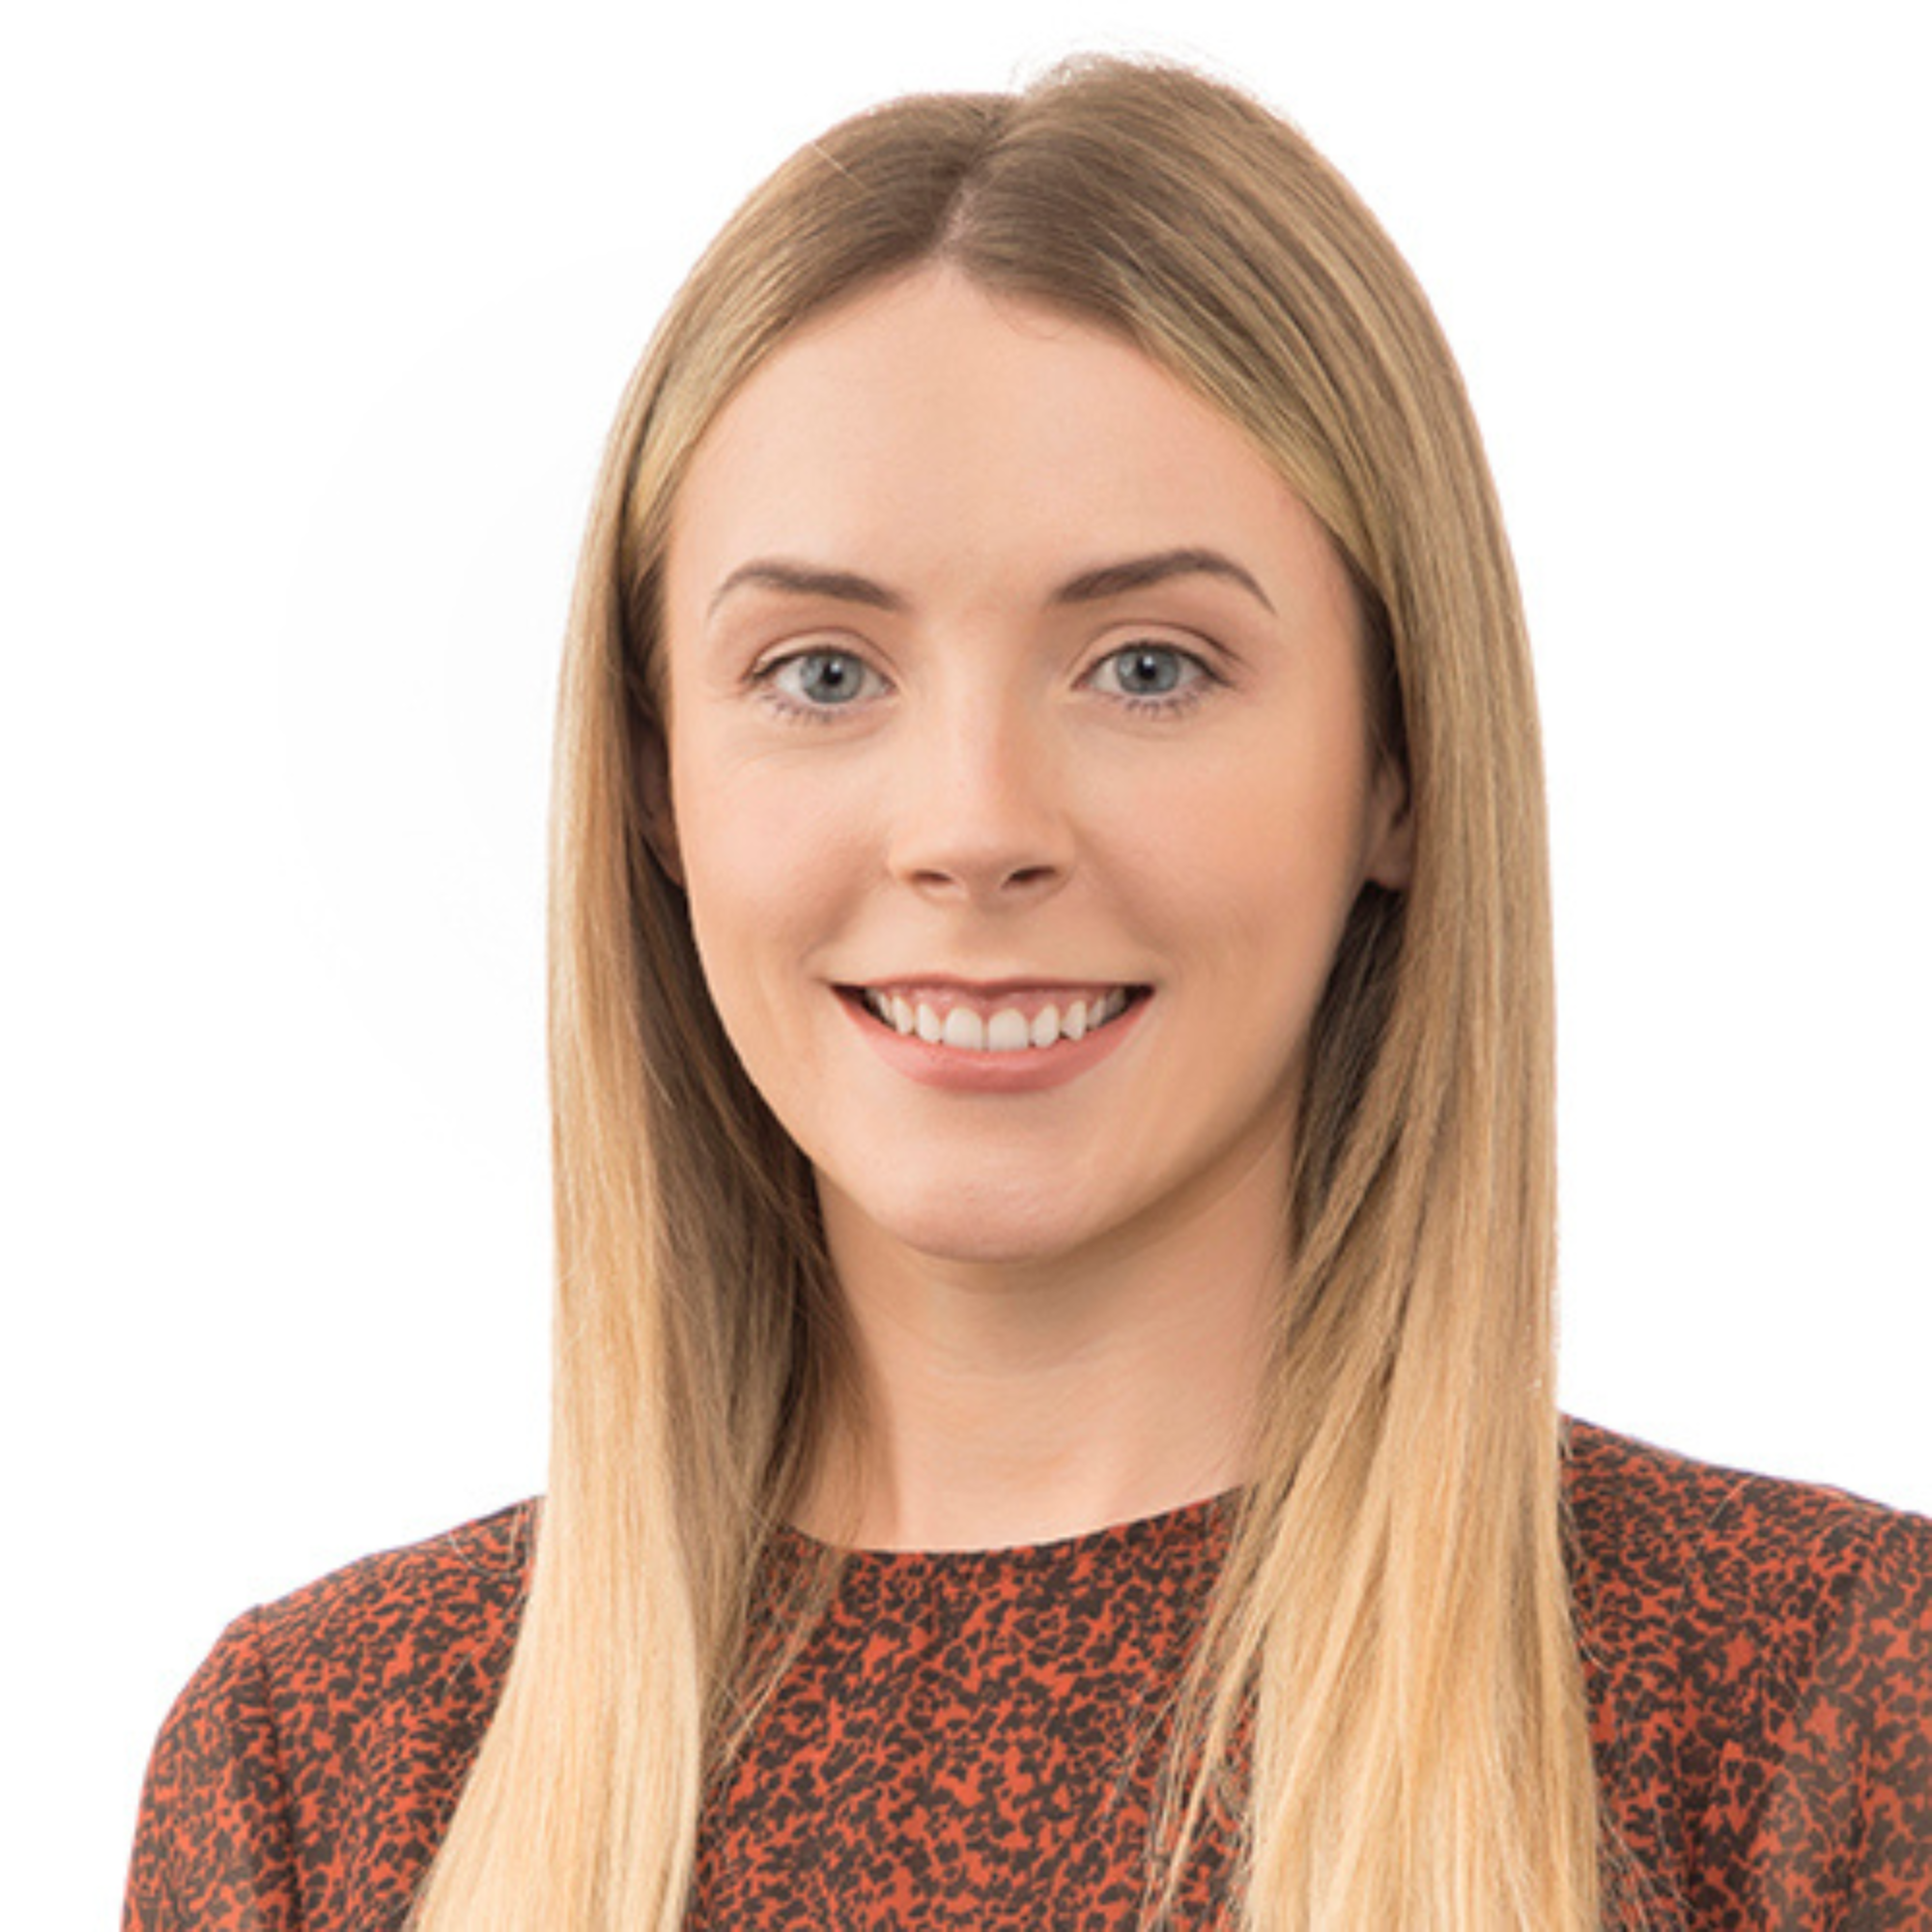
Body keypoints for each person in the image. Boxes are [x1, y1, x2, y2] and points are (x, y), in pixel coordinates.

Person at [122, 54, 1931, 1931]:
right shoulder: (321, 1777)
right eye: (822, 674)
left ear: (1400, 763)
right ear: (656, 783)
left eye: (1147, 667)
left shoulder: (1824, 1713)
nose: (974, 829)